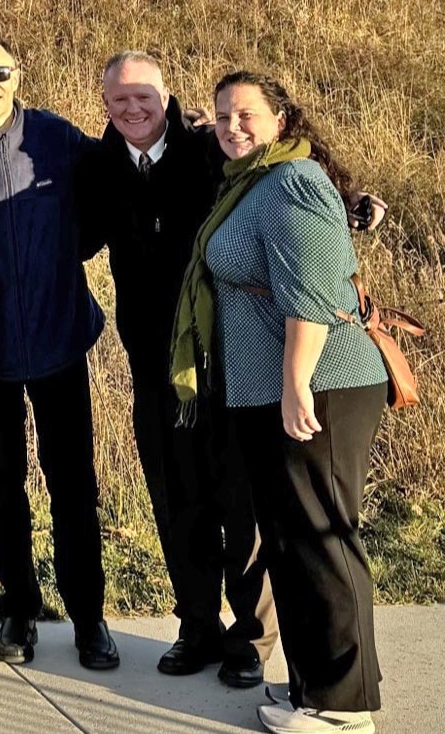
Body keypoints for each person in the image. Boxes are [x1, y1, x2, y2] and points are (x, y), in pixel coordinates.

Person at [176, 72, 388, 734]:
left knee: (322, 536)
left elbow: (311, 291)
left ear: (279, 116)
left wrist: (296, 383)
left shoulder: (293, 181)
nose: (230, 125)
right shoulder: (252, 181)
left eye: (244, 114)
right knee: (292, 542)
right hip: (271, 387)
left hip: (317, 385)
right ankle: (316, 687)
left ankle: (345, 710)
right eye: (219, 116)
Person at [0, 34, 119, 671]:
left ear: (19, 73)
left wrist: (192, 134)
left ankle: (89, 617)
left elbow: (127, 173)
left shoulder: (60, 139)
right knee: (5, 487)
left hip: (61, 341)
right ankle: (18, 605)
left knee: (73, 484)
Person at [82, 51, 275, 687]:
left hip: (227, 360)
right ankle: (197, 626)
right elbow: (70, 236)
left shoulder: (207, 151)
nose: (132, 110)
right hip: (154, 366)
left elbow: (280, 172)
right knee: (176, 499)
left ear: (167, 97)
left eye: (144, 97)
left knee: (240, 501)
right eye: (119, 100)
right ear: (105, 105)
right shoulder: (100, 167)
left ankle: (250, 640)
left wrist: (352, 198)